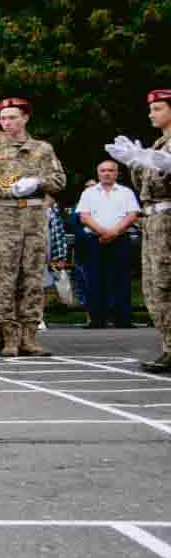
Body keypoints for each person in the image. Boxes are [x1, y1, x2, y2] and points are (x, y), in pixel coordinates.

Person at [0, 96, 67, 356]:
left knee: (32, 277)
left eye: (12, 117)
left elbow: (58, 180)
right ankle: (9, 337)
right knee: (5, 277)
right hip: (4, 216)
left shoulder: (42, 149)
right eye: (4, 118)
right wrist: (8, 190)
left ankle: (30, 336)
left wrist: (37, 183)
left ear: (25, 118)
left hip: (33, 215)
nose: (7, 122)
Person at [105, 88, 171, 374]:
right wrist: (134, 162)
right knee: (155, 287)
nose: (151, 114)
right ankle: (169, 346)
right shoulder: (158, 144)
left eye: (157, 108)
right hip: (153, 220)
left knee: (167, 284)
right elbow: (146, 187)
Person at [75, 159, 141, 329]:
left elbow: (132, 215)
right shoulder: (89, 193)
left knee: (121, 279)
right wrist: (103, 233)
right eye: (103, 170)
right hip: (95, 240)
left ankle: (122, 319)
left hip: (120, 240)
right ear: (98, 174)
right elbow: (84, 216)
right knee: (95, 279)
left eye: (111, 170)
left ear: (117, 173)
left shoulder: (126, 192)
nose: (107, 173)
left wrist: (113, 233)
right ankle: (97, 319)